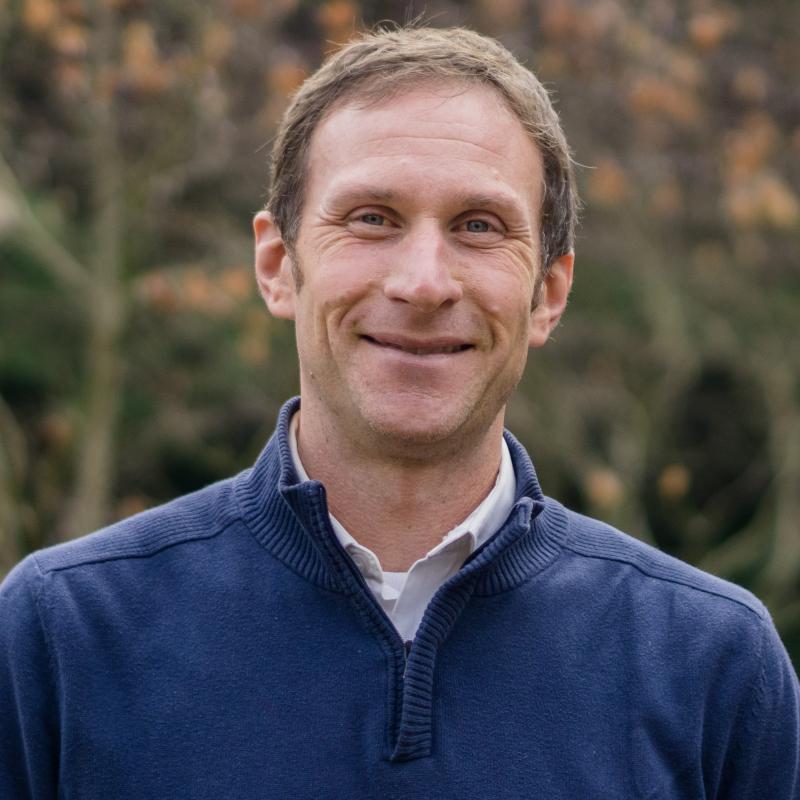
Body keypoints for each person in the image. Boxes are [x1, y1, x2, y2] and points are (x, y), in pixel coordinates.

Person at [1, 25, 798, 799]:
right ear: (278, 266)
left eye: (478, 227)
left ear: (548, 294)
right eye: (372, 219)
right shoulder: (61, 637)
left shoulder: (711, 663)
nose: (423, 283)